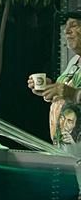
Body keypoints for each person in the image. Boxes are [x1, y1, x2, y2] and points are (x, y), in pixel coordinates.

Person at [28, 10, 81, 152]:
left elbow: (72, 93)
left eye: (74, 25)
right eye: (66, 27)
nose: (67, 31)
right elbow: (66, 94)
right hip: (65, 152)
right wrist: (50, 88)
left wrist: (73, 93)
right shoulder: (75, 61)